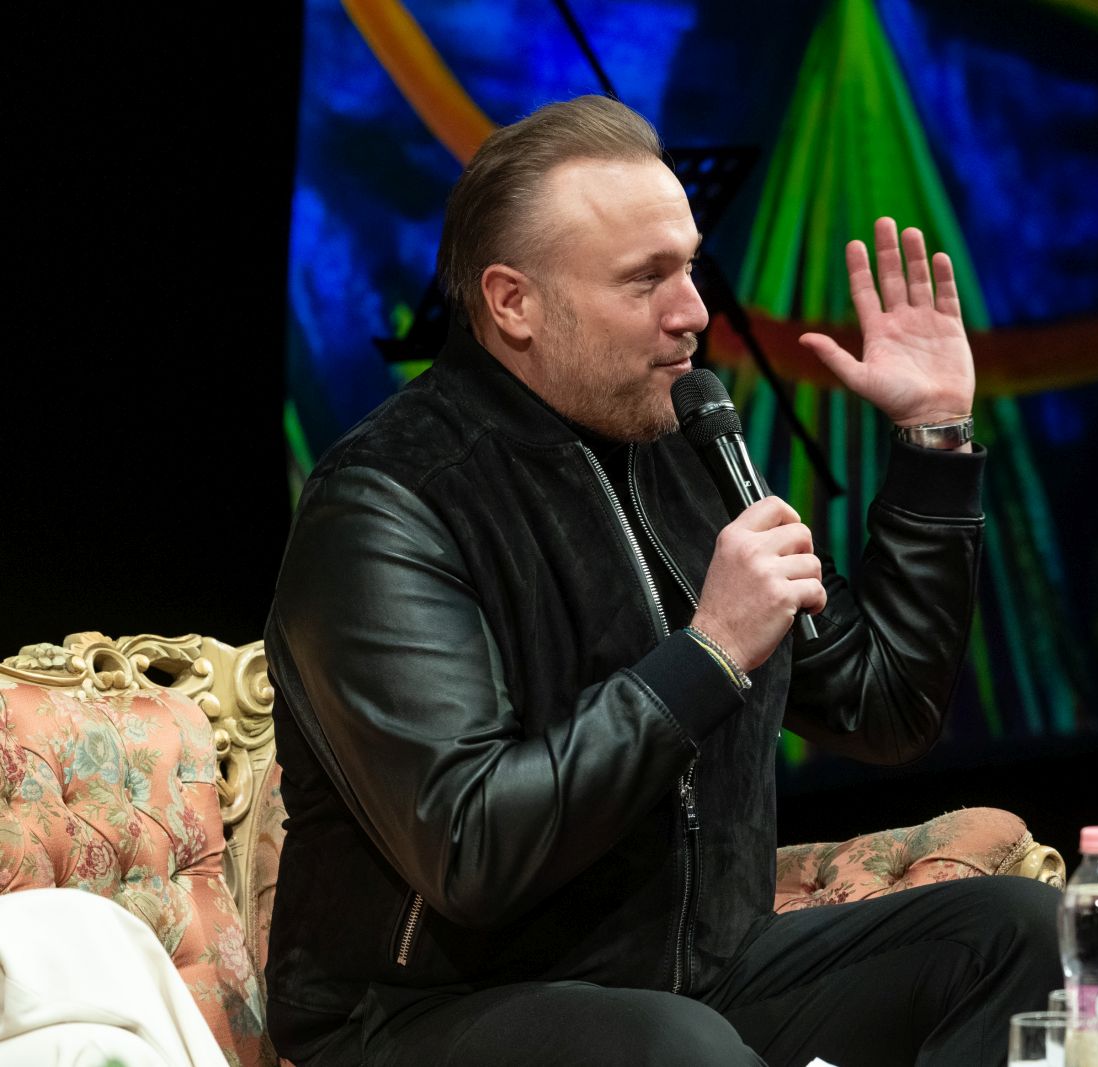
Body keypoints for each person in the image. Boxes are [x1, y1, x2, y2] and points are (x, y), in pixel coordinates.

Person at [264, 94, 1058, 1066]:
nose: (693, 311)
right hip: (426, 1012)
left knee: (1021, 934)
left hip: (690, 974)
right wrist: (708, 653)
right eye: (646, 279)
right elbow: (470, 850)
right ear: (513, 302)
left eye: (688, 266)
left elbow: (884, 705)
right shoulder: (386, 502)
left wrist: (933, 439)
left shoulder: (687, 442)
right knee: (676, 1045)